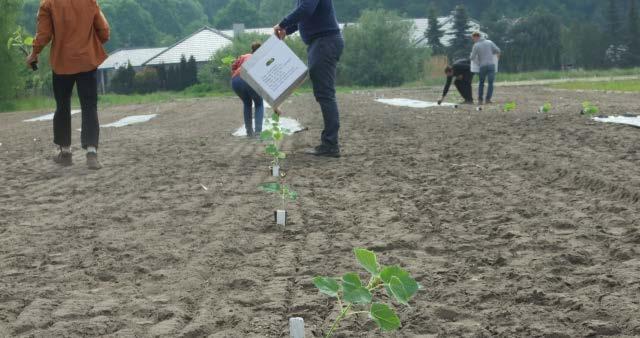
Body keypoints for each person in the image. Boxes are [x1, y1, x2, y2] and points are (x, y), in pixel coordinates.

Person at [27, 0, 110, 170]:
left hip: (62, 63)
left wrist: (34, 53)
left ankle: (65, 152)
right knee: (89, 106)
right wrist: (93, 43)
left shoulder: (48, 4)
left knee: (62, 106)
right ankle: (92, 153)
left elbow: (44, 34)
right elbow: (104, 30)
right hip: (87, 61)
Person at [274, 0, 344, 158]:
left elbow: (305, 10)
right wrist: (288, 29)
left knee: (325, 94)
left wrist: (282, 24)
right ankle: (330, 143)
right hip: (321, 43)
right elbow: (307, 16)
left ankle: (330, 144)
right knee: (323, 94)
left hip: (324, 43)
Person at [231, 42, 264, 138]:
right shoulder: (263, 58)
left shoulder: (245, 56)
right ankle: (258, 132)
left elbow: (233, 66)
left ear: (252, 50)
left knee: (247, 103)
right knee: (258, 104)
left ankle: (249, 132)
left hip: (236, 80)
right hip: (251, 78)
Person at [470, 32, 501, 105]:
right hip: (491, 65)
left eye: (473, 38)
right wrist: (492, 54)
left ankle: (480, 100)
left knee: (481, 83)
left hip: (482, 66)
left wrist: (477, 63)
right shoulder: (489, 42)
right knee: (491, 83)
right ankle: (488, 99)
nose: (473, 40)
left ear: (476, 37)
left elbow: (472, 57)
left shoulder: (476, 45)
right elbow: (498, 50)